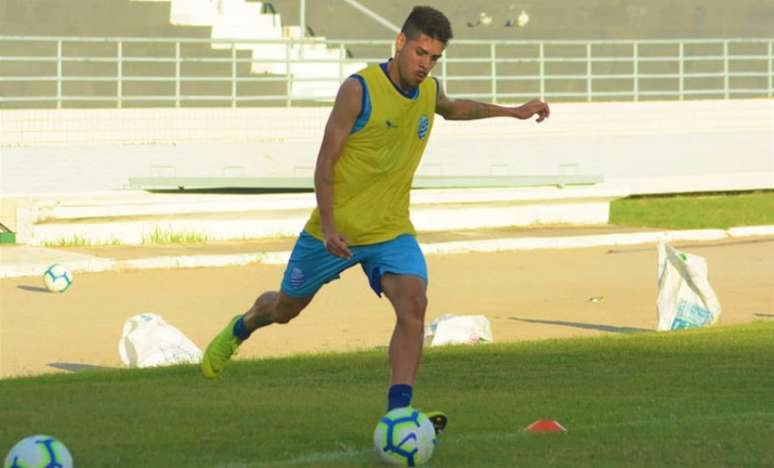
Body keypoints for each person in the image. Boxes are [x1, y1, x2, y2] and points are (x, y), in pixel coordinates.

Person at [201, 5, 550, 434]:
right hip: (333, 233)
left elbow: (453, 107)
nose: (426, 64)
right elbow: (324, 164)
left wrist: (512, 111)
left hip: (391, 231)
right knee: (284, 309)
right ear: (400, 43)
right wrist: (329, 227)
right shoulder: (358, 89)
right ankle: (243, 325)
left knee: (414, 305)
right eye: (421, 53)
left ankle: (398, 413)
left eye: (435, 57)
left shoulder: (428, 89)